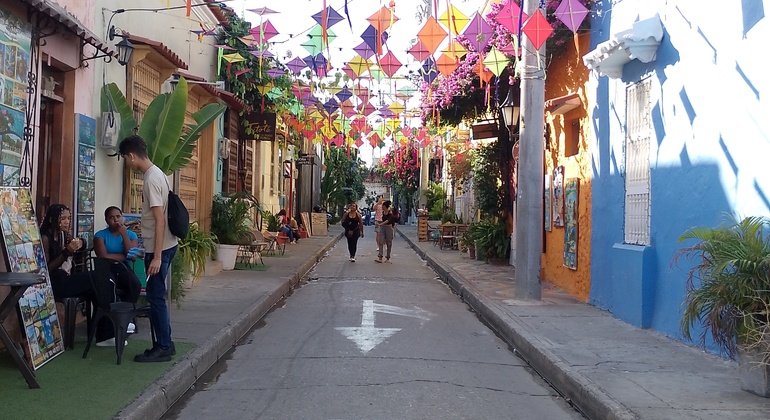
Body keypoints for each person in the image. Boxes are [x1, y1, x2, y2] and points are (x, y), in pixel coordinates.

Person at [119, 135, 178, 363]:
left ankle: (162, 346)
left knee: (155, 297)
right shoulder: (158, 173)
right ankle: (166, 342)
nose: (127, 163)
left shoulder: (151, 179)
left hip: (159, 248)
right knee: (156, 296)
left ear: (132, 156)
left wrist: (157, 256)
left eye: (126, 159)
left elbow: (159, 219)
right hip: (164, 245)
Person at [40, 204, 117, 344]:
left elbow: (84, 243)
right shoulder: (46, 238)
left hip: (65, 278)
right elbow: (47, 268)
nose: (66, 222)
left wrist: (81, 242)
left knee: (100, 286)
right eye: (62, 218)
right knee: (99, 277)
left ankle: (104, 333)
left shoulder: (63, 234)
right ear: (52, 219)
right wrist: (67, 252)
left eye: (68, 218)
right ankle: (106, 334)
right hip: (54, 283)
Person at [93, 206, 143, 341]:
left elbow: (132, 256)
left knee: (135, 284)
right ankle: (109, 327)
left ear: (122, 217)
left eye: (118, 216)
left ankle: (126, 318)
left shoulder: (131, 235)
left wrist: (124, 235)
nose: (115, 220)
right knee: (109, 288)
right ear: (106, 220)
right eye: (111, 217)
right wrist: (123, 256)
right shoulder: (100, 235)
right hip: (105, 269)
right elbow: (102, 256)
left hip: (123, 268)